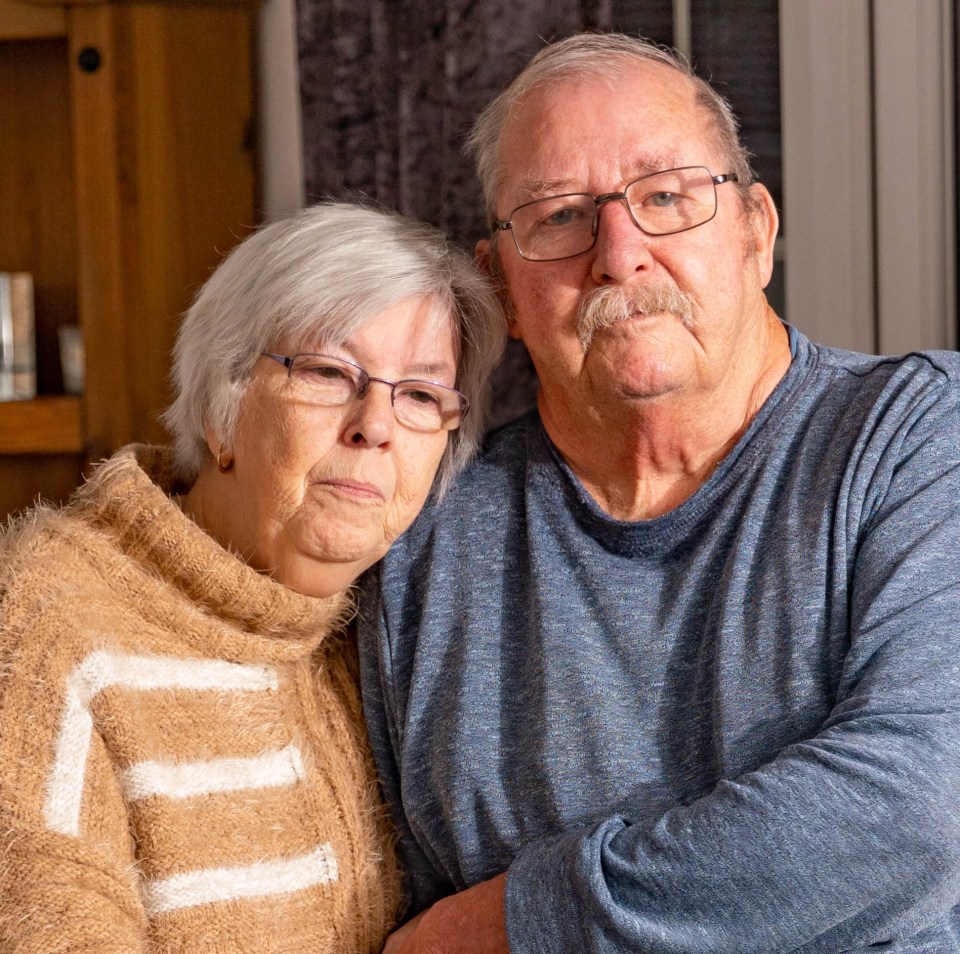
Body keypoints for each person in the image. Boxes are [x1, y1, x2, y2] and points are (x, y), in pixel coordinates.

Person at [358, 32, 960, 954]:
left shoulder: (917, 440)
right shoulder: (423, 533)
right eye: (559, 217)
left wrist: (511, 922)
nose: (618, 254)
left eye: (667, 197)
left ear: (756, 231)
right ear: (502, 290)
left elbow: (915, 811)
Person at [0, 201, 504, 953]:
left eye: (423, 396)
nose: (377, 425)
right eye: (331, 373)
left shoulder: (393, 630)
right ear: (223, 411)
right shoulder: (44, 620)